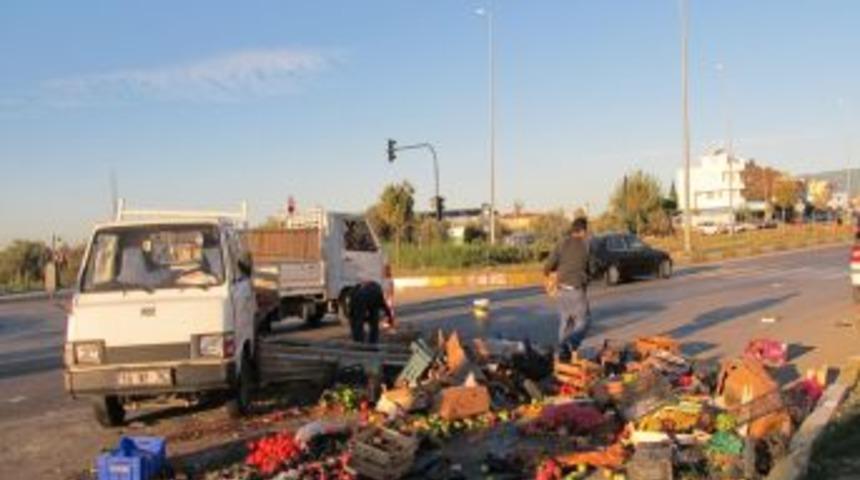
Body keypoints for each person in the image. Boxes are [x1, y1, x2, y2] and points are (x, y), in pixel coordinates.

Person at [544, 217, 592, 359]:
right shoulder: (586, 245)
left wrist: (550, 276)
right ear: (583, 231)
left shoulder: (561, 244)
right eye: (586, 232)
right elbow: (592, 268)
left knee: (565, 323)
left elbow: (548, 266)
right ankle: (570, 344)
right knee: (584, 321)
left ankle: (561, 355)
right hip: (576, 290)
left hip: (561, 291)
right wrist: (587, 277)